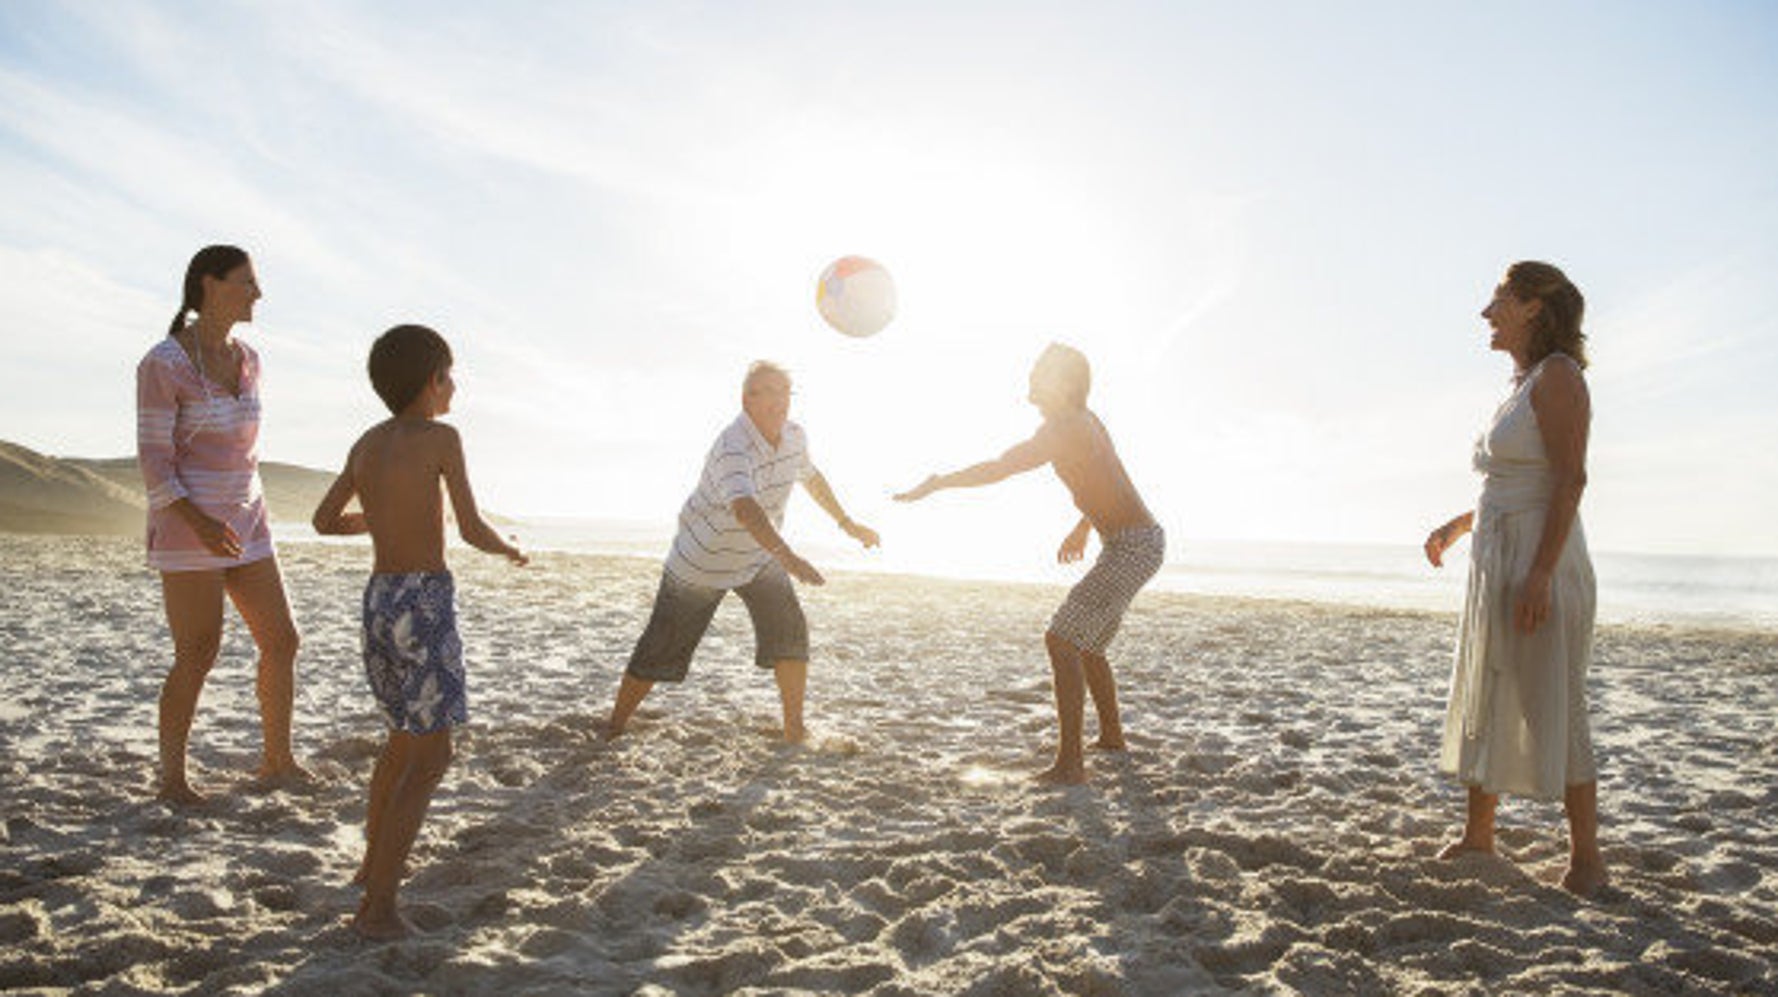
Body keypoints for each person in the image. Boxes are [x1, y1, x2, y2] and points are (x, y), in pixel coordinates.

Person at [311, 324, 527, 940]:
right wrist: (509, 548)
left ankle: (368, 870)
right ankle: (378, 908)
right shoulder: (441, 437)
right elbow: (471, 526)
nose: (454, 385)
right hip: (424, 601)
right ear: (431, 380)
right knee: (432, 753)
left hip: (379, 599)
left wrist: (377, 520)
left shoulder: (367, 444)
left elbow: (325, 521)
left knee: (401, 739)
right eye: (450, 374)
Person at [896, 343, 1163, 784]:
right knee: (1088, 646)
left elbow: (999, 468)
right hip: (1136, 542)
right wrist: (1084, 525)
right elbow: (1111, 480)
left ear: (1066, 383)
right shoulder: (1085, 421)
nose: (1032, 378)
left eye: (1041, 371)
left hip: (1132, 546)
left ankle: (1070, 766)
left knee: (1061, 640)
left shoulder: (1066, 429)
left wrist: (941, 482)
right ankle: (1112, 737)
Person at [1423, 261, 1605, 896]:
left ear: (1532, 306)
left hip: (1539, 560)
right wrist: (1459, 525)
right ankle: (1479, 836)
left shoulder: (1558, 377)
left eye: (1498, 298)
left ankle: (1588, 859)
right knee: (1487, 681)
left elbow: (1569, 480)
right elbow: (1510, 481)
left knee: (1551, 698)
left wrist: (1541, 575)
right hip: (1498, 553)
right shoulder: (1520, 382)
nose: (1486, 312)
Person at [604, 361, 879, 744]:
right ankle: (615, 725)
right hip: (702, 562)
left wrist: (847, 523)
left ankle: (794, 730)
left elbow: (811, 478)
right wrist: (789, 558)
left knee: (790, 632)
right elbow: (745, 509)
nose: (777, 400)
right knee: (660, 649)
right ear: (747, 398)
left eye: (784, 390)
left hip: (757, 558)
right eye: (766, 391)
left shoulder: (795, 436)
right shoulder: (733, 446)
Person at [136, 244, 307, 804]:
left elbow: (244, 452)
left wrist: (239, 513)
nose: (258, 294)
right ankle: (173, 779)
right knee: (199, 650)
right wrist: (200, 522)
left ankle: (278, 760)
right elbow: (155, 463)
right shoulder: (163, 364)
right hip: (188, 525)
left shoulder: (250, 359)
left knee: (282, 640)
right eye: (247, 282)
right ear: (210, 284)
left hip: (248, 520)